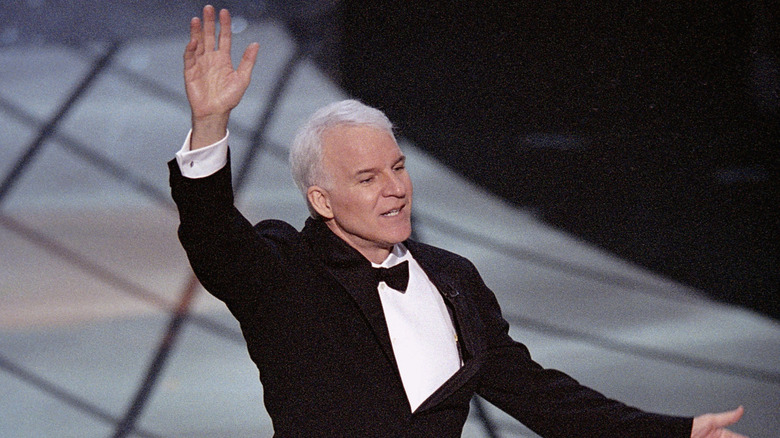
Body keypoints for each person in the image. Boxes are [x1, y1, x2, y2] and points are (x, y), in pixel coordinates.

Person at [169, 5, 748, 437]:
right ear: (321, 201)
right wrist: (211, 122)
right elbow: (213, 235)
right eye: (368, 178)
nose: (396, 189)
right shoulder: (285, 269)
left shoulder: (452, 277)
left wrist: (673, 432)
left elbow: (540, 395)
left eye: (397, 167)